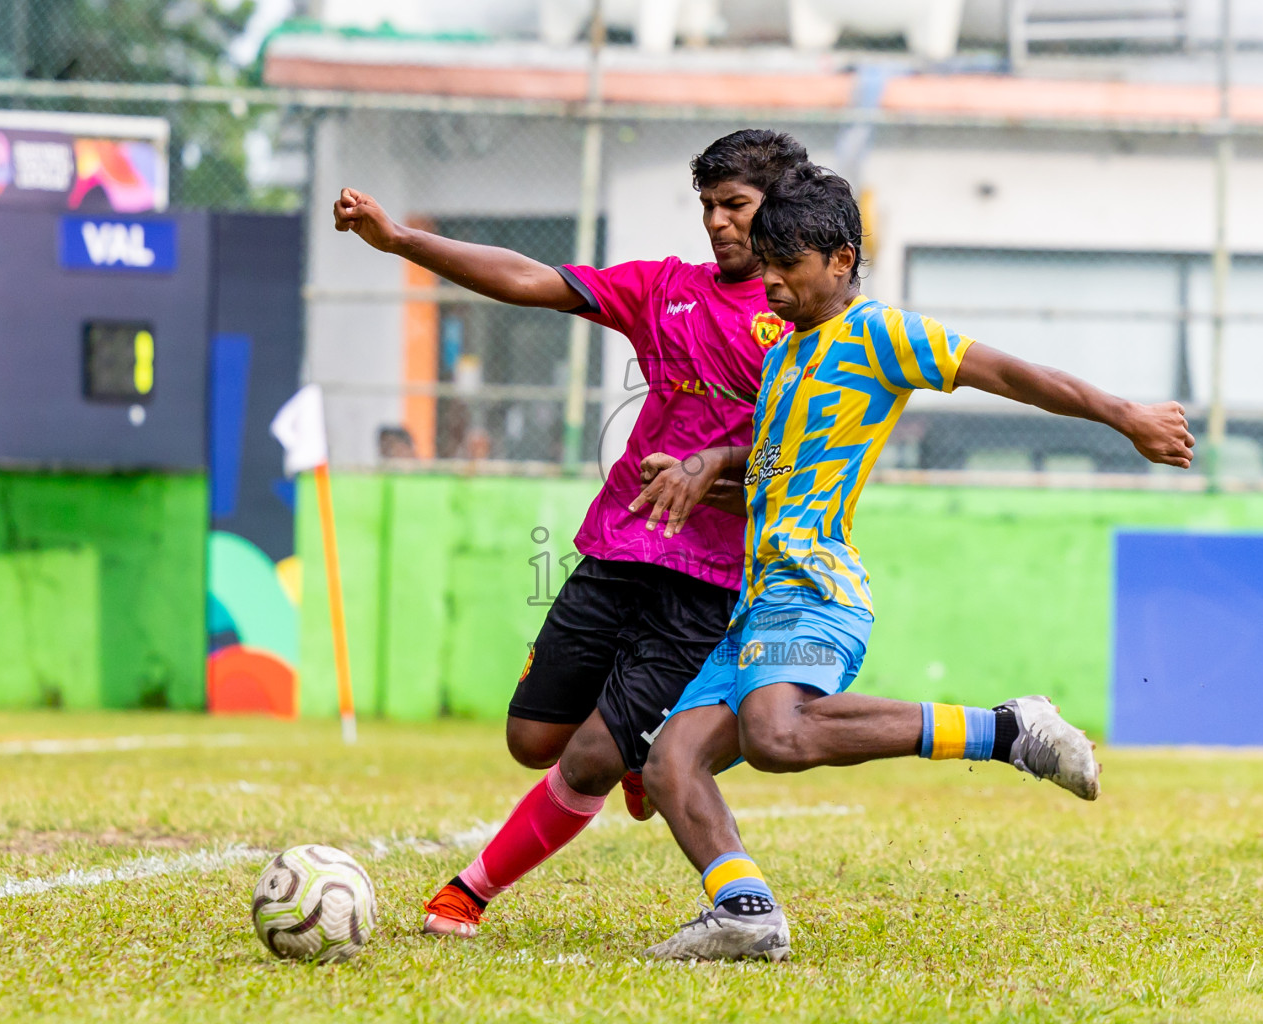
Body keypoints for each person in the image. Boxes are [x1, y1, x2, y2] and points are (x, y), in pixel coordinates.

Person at [630, 164, 1196, 962]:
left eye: (787, 263)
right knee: (673, 763)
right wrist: (704, 480)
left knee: (775, 736)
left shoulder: (878, 335)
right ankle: (744, 912)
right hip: (758, 600)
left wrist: (1123, 413)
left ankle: (1007, 730)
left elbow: (1011, 374)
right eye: (765, 261)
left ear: (840, 259)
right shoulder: (785, 356)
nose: (771, 280)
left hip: (813, 586)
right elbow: (778, 472)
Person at [332, 130, 810, 937]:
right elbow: (532, 281)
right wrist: (402, 240)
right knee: (531, 739)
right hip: (616, 549)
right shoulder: (666, 290)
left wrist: (717, 475)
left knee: (586, 755)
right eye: (708, 207)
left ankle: (468, 894)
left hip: (710, 581)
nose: (719, 223)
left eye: (737, 206)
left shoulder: (806, 322)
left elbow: (802, 464)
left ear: (779, 211)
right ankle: (626, 752)